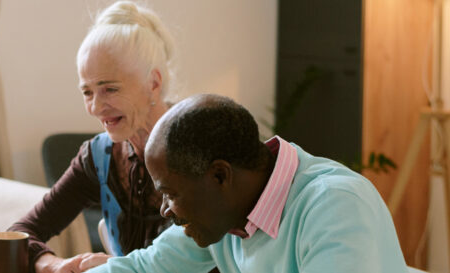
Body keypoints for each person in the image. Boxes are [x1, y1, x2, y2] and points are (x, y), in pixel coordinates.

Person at [0, 2, 177, 273]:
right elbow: (22, 232)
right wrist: (54, 265)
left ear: (154, 83)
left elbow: (202, 251)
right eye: (87, 92)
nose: (96, 108)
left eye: (110, 89)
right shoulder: (99, 157)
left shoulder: (197, 145)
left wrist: (119, 267)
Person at [85, 93, 408, 272]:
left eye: (171, 194)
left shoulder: (336, 206)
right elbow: (146, 268)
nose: (166, 210)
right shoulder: (225, 213)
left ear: (219, 176)